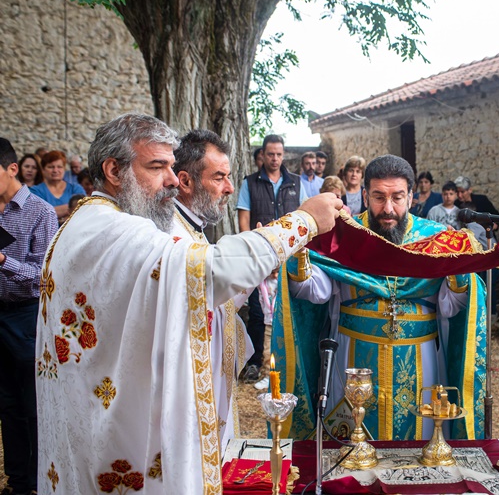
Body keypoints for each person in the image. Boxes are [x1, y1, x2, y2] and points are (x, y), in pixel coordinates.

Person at [36, 113, 341, 493]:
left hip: (103, 413)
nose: (171, 179)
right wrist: (303, 222)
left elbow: (192, 295)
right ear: (113, 170)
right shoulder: (115, 229)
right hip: (117, 431)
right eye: (157, 166)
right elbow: (209, 272)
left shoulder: (90, 221)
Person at [273, 155, 488, 441]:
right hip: (353, 357)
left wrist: (459, 268)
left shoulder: (437, 239)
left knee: (420, 445)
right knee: (349, 449)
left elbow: (452, 306)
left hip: (421, 358)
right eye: (378, 197)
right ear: (364, 195)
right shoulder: (345, 236)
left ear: (411, 197)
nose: (388, 209)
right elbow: (317, 291)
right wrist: (300, 256)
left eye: (397, 197)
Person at [171, 129, 255, 451]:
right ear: (186, 181)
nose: (230, 188)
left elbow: (215, 298)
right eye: (219, 177)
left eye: (229, 177)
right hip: (188, 381)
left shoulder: (193, 228)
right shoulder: (170, 232)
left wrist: (255, 272)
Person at [0, 138, 58, 495]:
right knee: (5, 403)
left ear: (11, 169)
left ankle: (38, 484)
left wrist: (4, 262)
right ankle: (17, 481)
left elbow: (44, 275)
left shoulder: (41, 212)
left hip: (25, 316)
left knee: (31, 405)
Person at [236, 134, 307, 383]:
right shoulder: (250, 183)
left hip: (289, 257)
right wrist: (257, 255)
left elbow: (304, 220)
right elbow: (244, 221)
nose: (275, 158)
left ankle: (292, 362)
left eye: (278, 154)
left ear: (283, 155)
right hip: (260, 258)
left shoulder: (297, 183)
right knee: (256, 312)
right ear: (262, 155)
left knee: (290, 309)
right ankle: (255, 363)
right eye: (270, 154)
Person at [29, 150, 85, 223]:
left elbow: (84, 211)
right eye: (51, 167)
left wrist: (49, 214)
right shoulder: (34, 191)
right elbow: (35, 215)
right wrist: (71, 209)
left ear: (64, 169)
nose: (55, 170)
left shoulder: (75, 188)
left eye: (59, 167)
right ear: (43, 170)